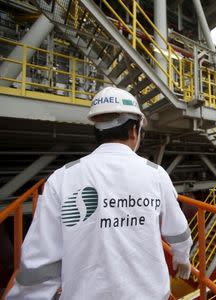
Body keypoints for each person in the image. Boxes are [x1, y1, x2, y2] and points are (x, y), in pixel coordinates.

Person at [7, 87, 192, 299]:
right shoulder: (156, 175)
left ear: (97, 130)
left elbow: (39, 262)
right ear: (134, 130)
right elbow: (178, 231)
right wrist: (182, 257)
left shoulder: (62, 178)